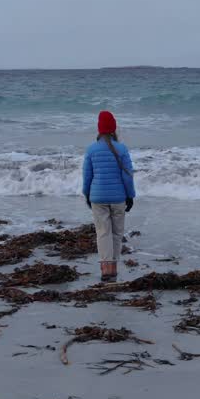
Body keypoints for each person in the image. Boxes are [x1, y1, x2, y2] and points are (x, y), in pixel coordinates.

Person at [82, 110, 136, 282]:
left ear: (99, 129)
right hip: (118, 197)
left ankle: (106, 269)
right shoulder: (122, 148)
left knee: (103, 233)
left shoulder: (91, 149)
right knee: (117, 233)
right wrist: (130, 196)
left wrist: (87, 194)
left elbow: (87, 176)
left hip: (97, 197)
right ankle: (113, 268)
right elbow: (128, 176)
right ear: (114, 129)